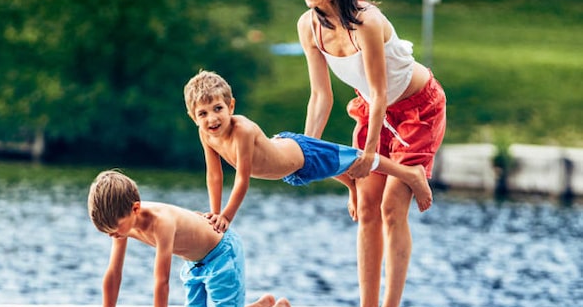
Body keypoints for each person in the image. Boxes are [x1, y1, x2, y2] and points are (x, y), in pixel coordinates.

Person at [296, 0, 447, 307]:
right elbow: (321, 95)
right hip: (373, 110)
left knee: (391, 208)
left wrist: (367, 154)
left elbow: (381, 93)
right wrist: (306, 152)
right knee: (365, 208)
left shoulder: (367, 21)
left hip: (416, 108)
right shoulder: (308, 25)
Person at [184, 69, 432, 233]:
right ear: (193, 118)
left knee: (356, 160)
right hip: (290, 172)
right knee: (330, 170)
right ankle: (351, 186)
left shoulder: (243, 131)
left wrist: (226, 217)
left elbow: (242, 179)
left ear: (231, 105)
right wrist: (213, 214)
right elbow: (214, 175)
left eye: (218, 109)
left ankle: (410, 175)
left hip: (301, 153)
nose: (212, 119)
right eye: (202, 114)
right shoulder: (205, 134)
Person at [82, 169, 303, 307]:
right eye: (107, 231)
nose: (113, 235)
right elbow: (113, 272)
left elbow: (161, 280)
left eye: (115, 229)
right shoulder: (120, 225)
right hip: (195, 264)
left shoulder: (161, 222)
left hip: (221, 255)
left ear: (135, 209)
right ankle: (261, 305)